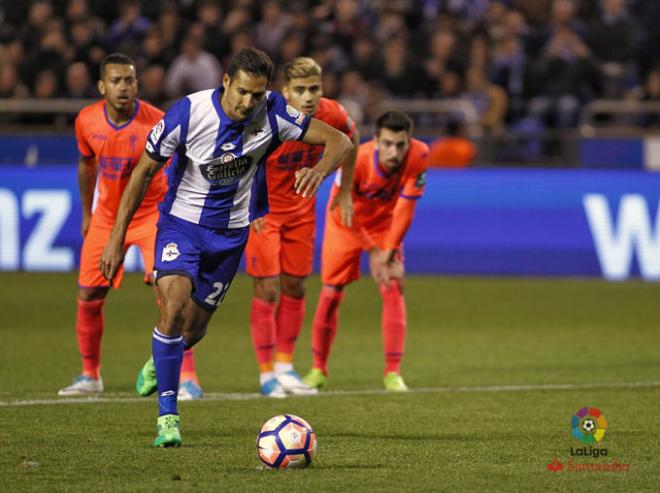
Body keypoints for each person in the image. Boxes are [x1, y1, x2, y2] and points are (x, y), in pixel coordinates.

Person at [100, 48, 352, 447]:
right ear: (226, 83)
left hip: (231, 234)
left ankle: (160, 357)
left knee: (194, 330)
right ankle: (168, 415)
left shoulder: (274, 113)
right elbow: (143, 171)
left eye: (257, 95)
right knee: (174, 304)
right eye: (243, 93)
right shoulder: (188, 112)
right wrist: (116, 238)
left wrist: (319, 171)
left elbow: (340, 141)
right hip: (181, 225)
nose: (248, 103)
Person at [58, 53, 203, 400]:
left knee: (171, 296)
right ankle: (90, 374)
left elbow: (183, 165)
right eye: (116, 81)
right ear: (101, 86)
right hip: (108, 216)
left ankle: (188, 378)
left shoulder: (157, 121)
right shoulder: (86, 120)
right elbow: (85, 163)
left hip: (154, 215)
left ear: (137, 84)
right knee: (89, 294)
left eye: (129, 80)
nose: (123, 87)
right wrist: (87, 214)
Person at [244, 57, 359, 398]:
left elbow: (350, 141)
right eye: (300, 90)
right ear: (285, 91)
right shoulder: (263, 115)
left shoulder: (333, 115)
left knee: (295, 287)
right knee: (266, 290)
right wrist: (250, 205)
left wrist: (346, 189)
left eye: (314, 89)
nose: (309, 97)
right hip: (264, 215)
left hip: (302, 214)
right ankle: (266, 374)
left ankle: (284, 366)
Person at [302, 110, 429, 392]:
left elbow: (406, 210)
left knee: (392, 283)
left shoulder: (420, 155)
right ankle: (318, 369)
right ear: (376, 140)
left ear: (410, 142)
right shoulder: (357, 160)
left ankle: (393, 373)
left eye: (400, 144)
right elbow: (338, 206)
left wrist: (389, 251)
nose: (394, 152)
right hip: (345, 223)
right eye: (387, 144)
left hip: (385, 225)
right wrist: (372, 250)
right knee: (332, 292)